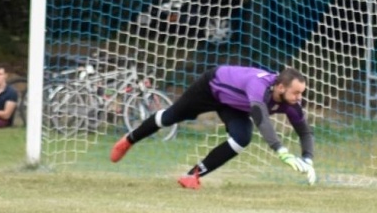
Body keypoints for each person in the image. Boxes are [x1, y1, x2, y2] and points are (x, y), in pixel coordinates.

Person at [110, 64, 315, 190]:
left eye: (301, 93)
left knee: (242, 138)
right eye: (296, 93)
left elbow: (304, 131)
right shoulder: (258, 87)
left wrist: (308, 159)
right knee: (170, 117)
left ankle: (192, 176)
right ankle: (129, 140)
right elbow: (261, 120)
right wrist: (282, 151)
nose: (299, 98)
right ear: (280, 87)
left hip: (233, 105)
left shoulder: (292, 103)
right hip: (210, 88)